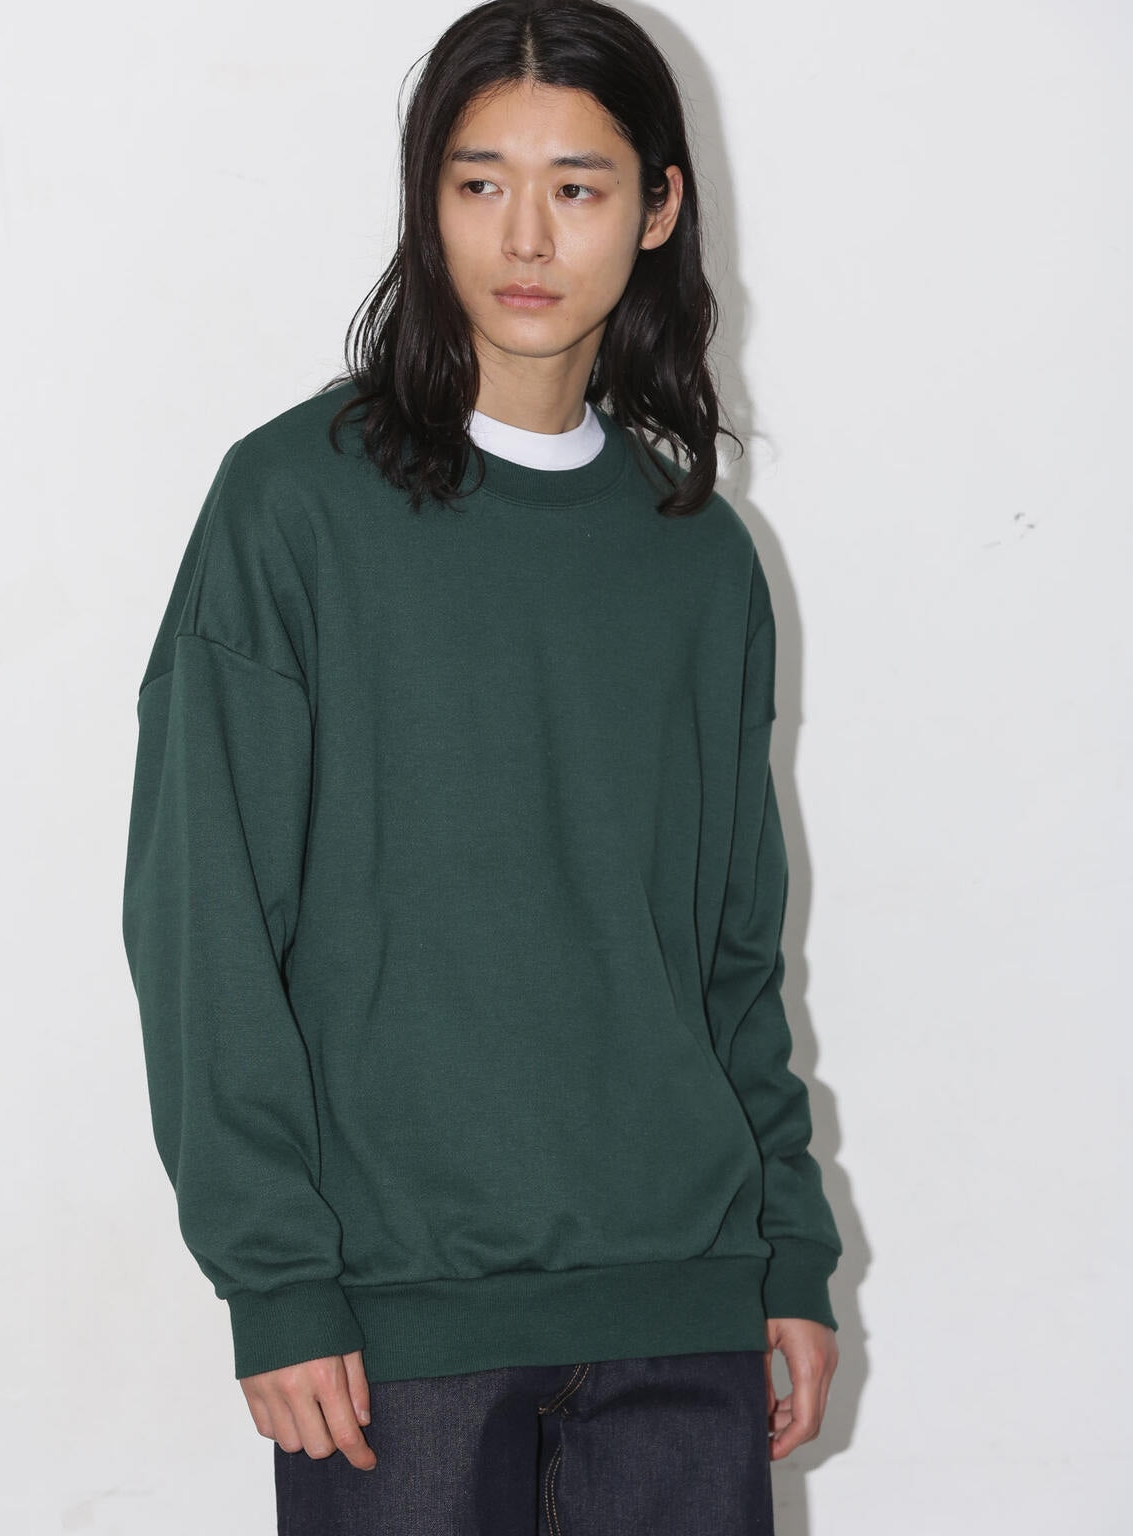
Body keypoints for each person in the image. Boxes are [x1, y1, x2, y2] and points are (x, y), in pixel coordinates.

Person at [121, 1, 843, 1529]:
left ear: (658, 207)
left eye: (577, 186)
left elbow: (730, 947)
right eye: (477, 182)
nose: (525, 235)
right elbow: (204, 924)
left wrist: (785, 1251)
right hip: (401, 1335)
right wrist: (277, 1277)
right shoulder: (291, 508)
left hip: (683, 1311)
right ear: (425, 201)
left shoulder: (698, 557)